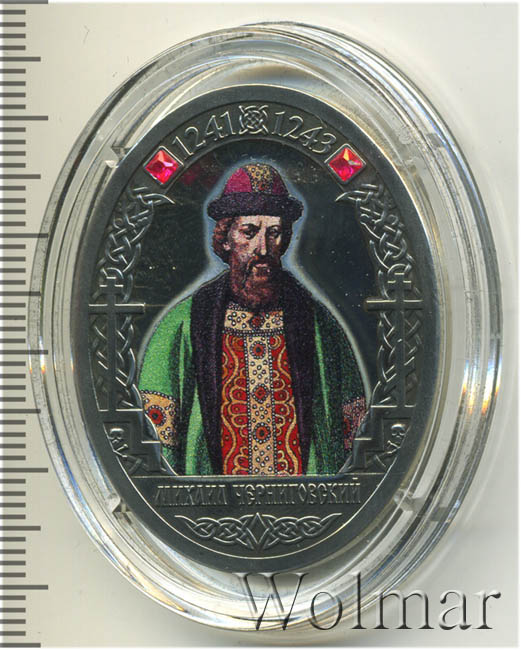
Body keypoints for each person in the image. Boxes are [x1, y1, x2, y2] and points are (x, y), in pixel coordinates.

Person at [138, 162, 367, 476]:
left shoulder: (318, 325)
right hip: (214, 503)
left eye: (274, 233)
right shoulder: (182, 325)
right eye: (249, 232)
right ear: (226, 238)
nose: (263, 248)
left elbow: (353, 431)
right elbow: (155, 442)